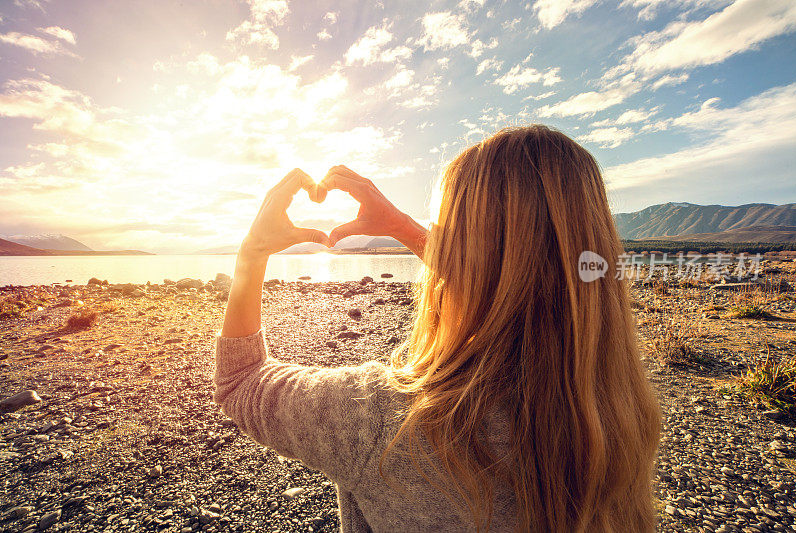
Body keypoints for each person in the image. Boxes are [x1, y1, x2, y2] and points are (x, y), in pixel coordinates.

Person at [213, 125, 661, 532]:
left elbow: (241, 382)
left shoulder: (386, 419)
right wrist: (402, 228)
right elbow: (520, 284)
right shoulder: (617, 410)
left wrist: (251, 255)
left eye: (445, 228)